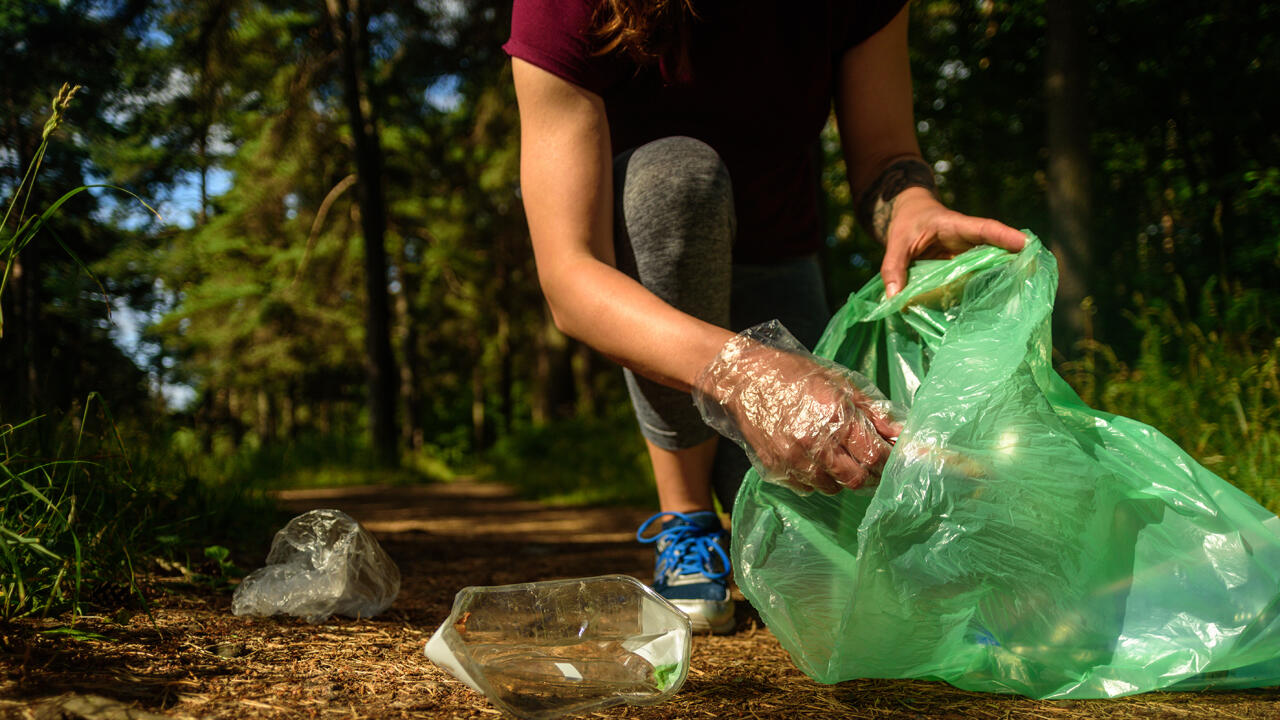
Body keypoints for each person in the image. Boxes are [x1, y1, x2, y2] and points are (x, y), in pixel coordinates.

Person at [503, 0, 1025, 632]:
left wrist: (911, 204)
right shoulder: (564, 7)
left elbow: (888, 155)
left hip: (780, 259)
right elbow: (570, 276)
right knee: (678, 178)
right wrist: (747, 376)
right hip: (650, 273)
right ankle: (687, 515)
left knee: (836, 534)